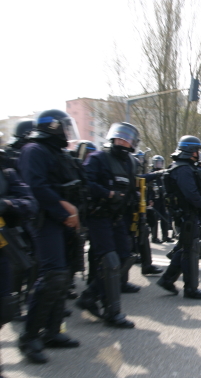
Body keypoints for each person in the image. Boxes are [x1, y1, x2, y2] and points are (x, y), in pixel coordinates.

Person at [18, 109, 82, 363]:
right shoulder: (34, 150)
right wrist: (63, 209)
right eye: (65, 127)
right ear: (53, 127)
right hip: (47, 222)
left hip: (65, 222)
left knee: (64, 277)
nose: (68, 133)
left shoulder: (57, 152)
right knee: (52, 276)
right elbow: (36, 187)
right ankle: (29, 337)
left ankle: (53, 332)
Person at [78, 122, 140, 330]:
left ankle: (90, 295)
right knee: (110, 261)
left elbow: (131, 187)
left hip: (118, 217)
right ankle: (112, 311)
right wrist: (108, 193)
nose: (122, 142)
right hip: (99, 216)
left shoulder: (130, 162)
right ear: (112, 139)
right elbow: (85, 183)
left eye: (126, 139)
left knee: (124, 257)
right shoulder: (98, 158)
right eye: (119, 138)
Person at [0, 156, 38, 378]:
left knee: (4, 307)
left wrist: (6, 205)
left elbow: (28, 201)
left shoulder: (4, 169)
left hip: (2, 245)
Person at [156, 136, 201, 299]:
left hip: (188, 214)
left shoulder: (184, 167)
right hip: (186, 215)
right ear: (188, 150)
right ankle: (191, 288)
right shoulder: (183, 169)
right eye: (196, 151)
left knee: (186, 248)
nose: (198, 154)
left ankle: (167, 280)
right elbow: (191, 194)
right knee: (190, 250)